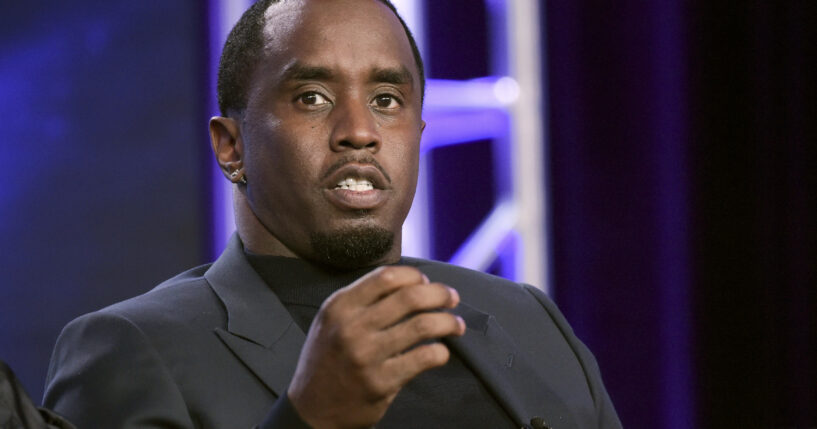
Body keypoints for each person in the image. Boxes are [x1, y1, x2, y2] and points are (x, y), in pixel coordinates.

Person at [44, 0, 622, 428]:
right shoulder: (132, 348)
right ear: (232, 147)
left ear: (418, 135)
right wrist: (309, 419)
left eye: (387, 101)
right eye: (312, 98)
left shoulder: (529, 320)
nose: (360, 132)